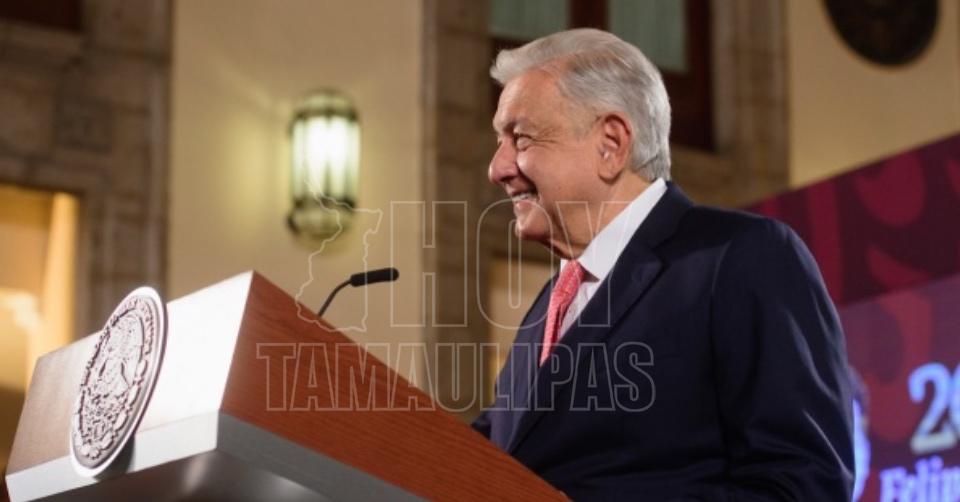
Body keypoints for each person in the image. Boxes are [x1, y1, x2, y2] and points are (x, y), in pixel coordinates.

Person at [472, 28, 855, 500]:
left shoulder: (741, 258)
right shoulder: (548, 305)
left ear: (611, 143)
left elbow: (804, 484)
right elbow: (489, 457)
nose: (497, 168)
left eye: (521, 139)